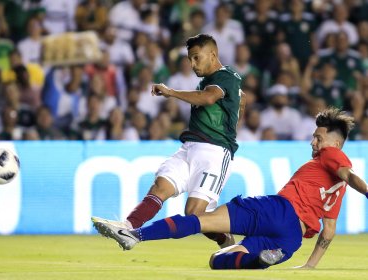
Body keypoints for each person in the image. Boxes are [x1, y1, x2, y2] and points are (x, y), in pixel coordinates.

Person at [92, 107, 368, 269]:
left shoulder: (332, 155)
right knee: (217, 260)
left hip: (277, 210)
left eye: (318, 138)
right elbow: (328, 231)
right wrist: (310, 266)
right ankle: (261, 259)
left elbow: (350, 174)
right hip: (292, 238)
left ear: (334, 143)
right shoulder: (336, 190)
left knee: (200, 221)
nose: (313, 143)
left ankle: (136, 235)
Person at [93, 33, 245, 248]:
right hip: (190, 147)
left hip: (215, 153)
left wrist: (171, 92)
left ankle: (226, 240)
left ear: (213, 54)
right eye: (190, 59)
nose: (192, 64)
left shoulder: (225, 76)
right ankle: (127, 227)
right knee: (160, 186)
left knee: (194, 213)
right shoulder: (211, 81)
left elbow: (208, 98)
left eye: (196, 57)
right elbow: (238, 100)